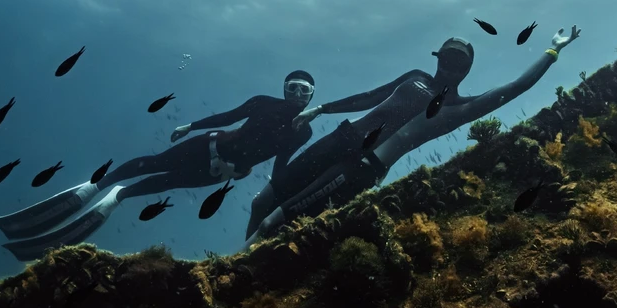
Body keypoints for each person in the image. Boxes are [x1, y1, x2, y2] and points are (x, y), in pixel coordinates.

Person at [244, 25, 580, 245]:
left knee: (274, 222)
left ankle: (238, 267)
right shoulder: (414, 76)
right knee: (261, 202)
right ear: (437, 58)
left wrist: (553, 51)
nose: (451, 65)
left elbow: (518, 86)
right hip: (342, 138)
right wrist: (322, 109)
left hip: (363, 166)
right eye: (447, 56)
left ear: (467, 70)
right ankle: (238, 257)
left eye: (459, 62)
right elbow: (373, 96)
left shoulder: (462, 107)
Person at [0, 71, 319, 261]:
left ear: (312, 95)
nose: (297, 94)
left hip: (220, 173)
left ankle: (117, 197)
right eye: (293, 87)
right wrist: (191, 126)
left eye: (304, 90)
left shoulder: (303, 131)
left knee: (166, 184)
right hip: (208, 145)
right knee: (156, 164)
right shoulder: (263, 102)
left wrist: (276, 196)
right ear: (283, 88)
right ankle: (97, 187)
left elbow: (281, 163)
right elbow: (229, 117)